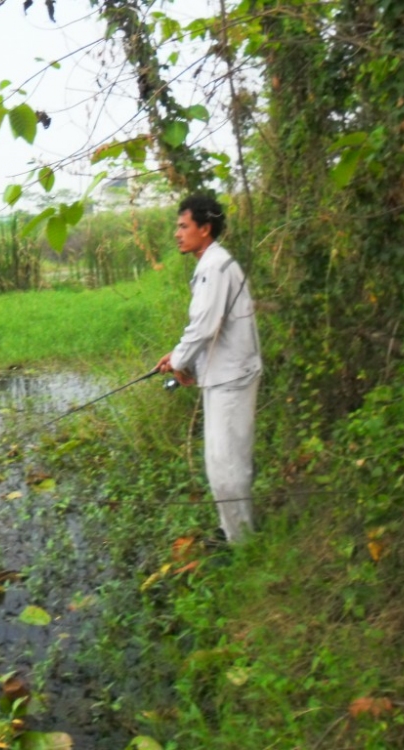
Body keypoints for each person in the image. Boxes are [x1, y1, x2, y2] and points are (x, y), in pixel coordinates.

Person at [156, 194, 262, 547]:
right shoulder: (213, 264)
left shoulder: (214, 268)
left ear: (205, 228)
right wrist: (181, 360)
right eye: (178, 226)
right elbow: (211, 328)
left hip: (232, 378)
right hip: (227, 374)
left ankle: (241, 543)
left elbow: (203, 326)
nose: (177, 233)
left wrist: (179, 361)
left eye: (184, 226)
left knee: (225, 464)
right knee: (225, 460)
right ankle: (234, 531)